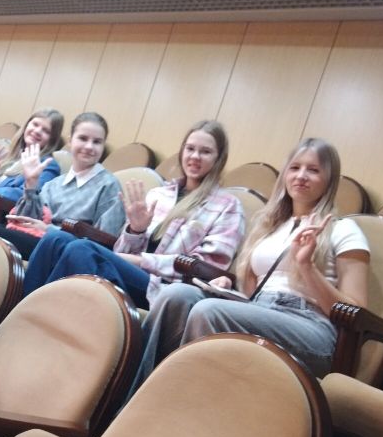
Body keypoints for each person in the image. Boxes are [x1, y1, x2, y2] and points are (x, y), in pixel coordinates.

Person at [131, 137, 370, 390]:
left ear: (329, 180)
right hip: (260, 309)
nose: (301, 176)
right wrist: (226, 287)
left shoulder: (344, 230)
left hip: (310, 327)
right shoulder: (270, 227)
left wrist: (307, 268)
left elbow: (354, 312)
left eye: (313, 170)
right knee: (176, 295)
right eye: (294, 168)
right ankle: (136, 396)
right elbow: (251, 296)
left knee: (208, 311)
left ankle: (174, 400)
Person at [21, 120, 244, 308]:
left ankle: (36, 316)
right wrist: (135, 231)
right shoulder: (160, 193)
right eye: (190, 149)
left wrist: (141, 260)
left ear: (219, 158)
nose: (195, 156)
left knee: (81, 249)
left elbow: (204, 270)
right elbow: (122, 251)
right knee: (55, 239)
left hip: (162, 289)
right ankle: (19, 315)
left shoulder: (227, 206)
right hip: (132, 271)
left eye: (205, 152)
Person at [0, 112, 124, 260]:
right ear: (70, 141)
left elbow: (105, 239)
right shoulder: (55, 183)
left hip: (68, 251)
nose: (89, 146)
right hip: (38, 239)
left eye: (97, 142)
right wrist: (31, 184)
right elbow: (27, 220)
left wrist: (49, 229)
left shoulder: (109, 185)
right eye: (83, 138)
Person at [0, 108, 64, 205]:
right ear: (26, 126)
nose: (37, 131)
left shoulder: (48, 165)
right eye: (35, 124)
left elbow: (22, 196)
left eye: (46, 130)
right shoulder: (11, 156)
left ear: (52, 139)